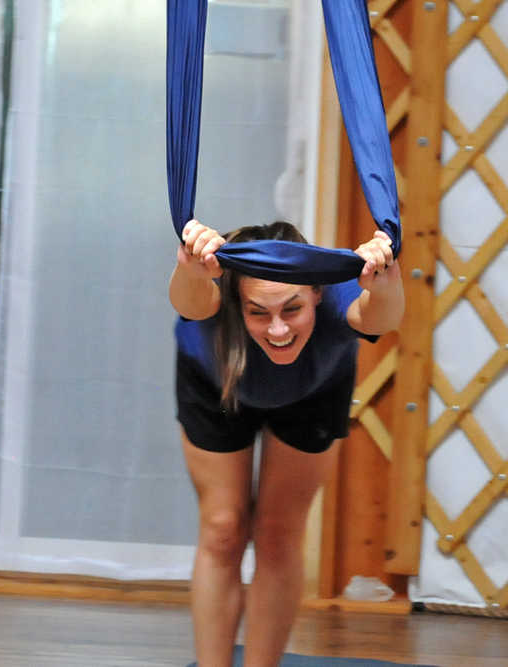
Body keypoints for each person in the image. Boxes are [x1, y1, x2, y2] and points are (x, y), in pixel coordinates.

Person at [169, 219, 404, 667]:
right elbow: (187, 299)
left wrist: (386, 283)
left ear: (317, 293)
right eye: (259, 312)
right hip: (215, 385)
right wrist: (189, 265)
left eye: (292, 310)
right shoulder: (212, 304)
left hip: (314, 390)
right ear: (238, 305)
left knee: (278, 533)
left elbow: (383, 316)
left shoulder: (337, 299)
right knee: (222, 529)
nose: (278, 330)